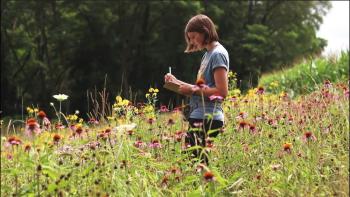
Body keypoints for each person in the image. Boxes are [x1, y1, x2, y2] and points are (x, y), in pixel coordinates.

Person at [164, 14, 229, 164]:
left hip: (208, 116)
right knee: (196, 161)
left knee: (195, 162)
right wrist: (176, 82)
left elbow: (221, 91)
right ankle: (206, 186)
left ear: (205, 31)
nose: (192, 42)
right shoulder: (207, 55)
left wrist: (192, 90)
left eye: (194, 37)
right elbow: (200, 88)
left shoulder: (218, 54)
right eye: (190, 38)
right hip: (200, 114)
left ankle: (207, 187)